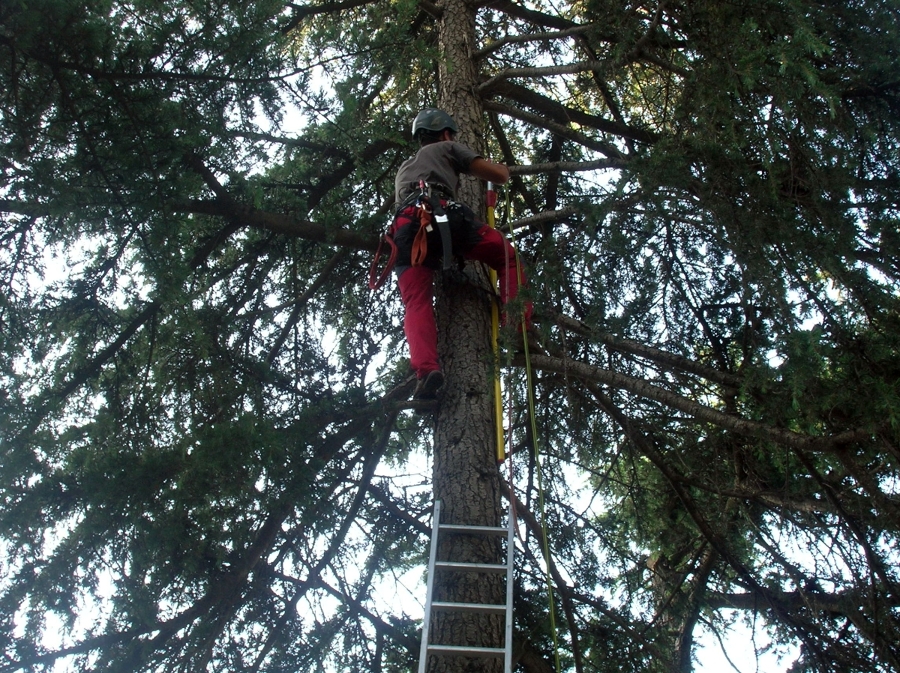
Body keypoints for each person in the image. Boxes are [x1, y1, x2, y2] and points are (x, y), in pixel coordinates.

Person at [391, 108, 532, 402]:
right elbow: (498, 175)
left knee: (415, 301)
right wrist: (503, 169)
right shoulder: (447, 147)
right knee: (507, 258)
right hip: (441, 216)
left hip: (405, 230)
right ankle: (516, 329)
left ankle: (426, 371)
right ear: (445, 133)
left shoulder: (405, 167)